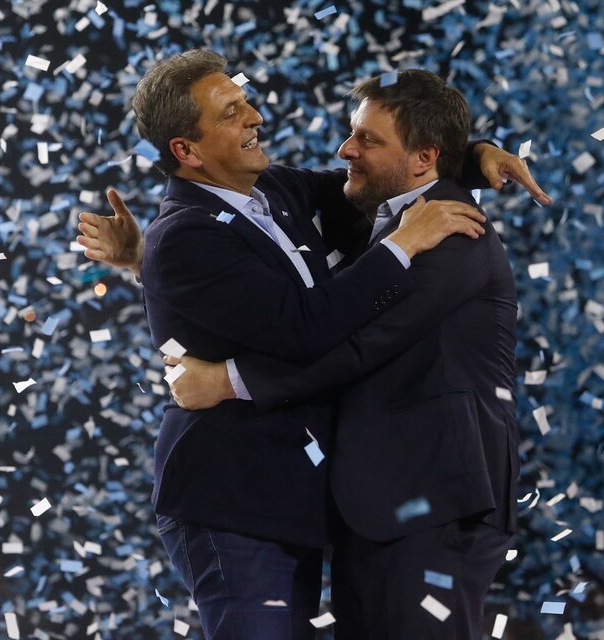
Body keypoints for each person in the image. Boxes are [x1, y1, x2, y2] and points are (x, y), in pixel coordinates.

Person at [76, 51, 547, 639]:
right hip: (233, 495)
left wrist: (473, 157)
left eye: (244, 99)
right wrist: (401, 244)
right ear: (187, 151)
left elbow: (380, 178)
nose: (255, 117)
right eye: (231, 112)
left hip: (318, 500)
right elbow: (305, 325)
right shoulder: (182, 236)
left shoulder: (279, 192)